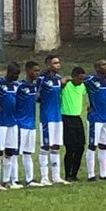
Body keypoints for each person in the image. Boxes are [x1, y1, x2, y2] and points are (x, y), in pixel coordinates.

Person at [37, 54, 70, 185]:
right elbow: (37, 95)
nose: (58, 65)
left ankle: (56, 176)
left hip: (57, 116)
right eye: (55, 63)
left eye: (59, 62)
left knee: (56, 146)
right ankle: (44, 177)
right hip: (47, 117)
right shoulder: (42, 79)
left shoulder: (57, 79)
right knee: (45, 146)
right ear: (48, 65)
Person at [0, 62, 23, 190]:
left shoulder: (17, 85)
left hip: (13, 122)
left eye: (18, 74)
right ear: (8, 72)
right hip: (1, 122)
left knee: (10, 152)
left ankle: (7, 181)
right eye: (14, 74)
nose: (16, 76)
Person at [16, 61, 44, 187]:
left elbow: (37, 99)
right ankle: (14, 179)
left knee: (28, 153)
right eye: (34, 70)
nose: (37, 73)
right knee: (16, 153)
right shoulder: (20, 86)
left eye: (38, 70)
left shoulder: (35, 87)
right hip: (20, 123)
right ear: (27, 71)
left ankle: (29, 179)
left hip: (31, 124)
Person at [84, 58, 106, 181]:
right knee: (92, 145)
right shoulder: (90, 80)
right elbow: (77, 80)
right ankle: (90, 174)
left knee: (104, 145)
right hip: (95, 118)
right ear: (97, 68)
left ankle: (104, 173)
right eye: (103, 65)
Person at [61, 66, 87, 181]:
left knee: (80, 147)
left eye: (82, 79)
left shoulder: (82, 86)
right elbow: (60, 83)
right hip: (66, 118)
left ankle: (75, 173)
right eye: (79, 79)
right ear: (74, 77)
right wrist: (65, 80)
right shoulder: (66, 85)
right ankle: (68, 173)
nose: (81, 81)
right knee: (70, 148)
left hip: (77, 118)